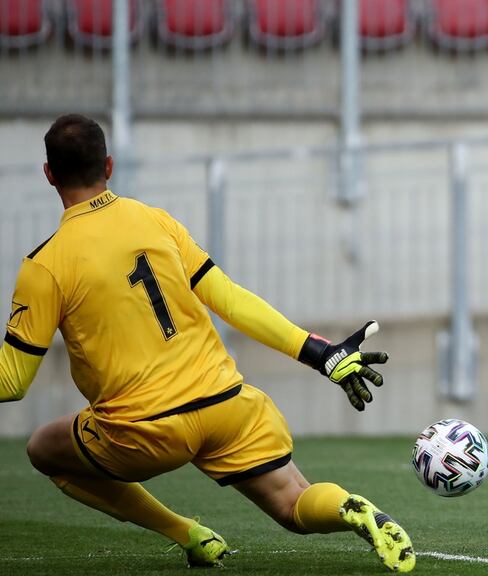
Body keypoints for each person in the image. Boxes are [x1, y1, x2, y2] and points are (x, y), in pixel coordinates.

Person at [0, 114, 415, 571]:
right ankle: (348, 507)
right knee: (294, 504)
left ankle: (187, 533)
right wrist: (319, 352)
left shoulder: (44, 265)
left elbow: (13, 382)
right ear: (109, 166)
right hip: (225, 404)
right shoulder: (156, 221)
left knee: (43, 448)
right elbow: (231, 301)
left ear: (49, 175)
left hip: (143, 432)